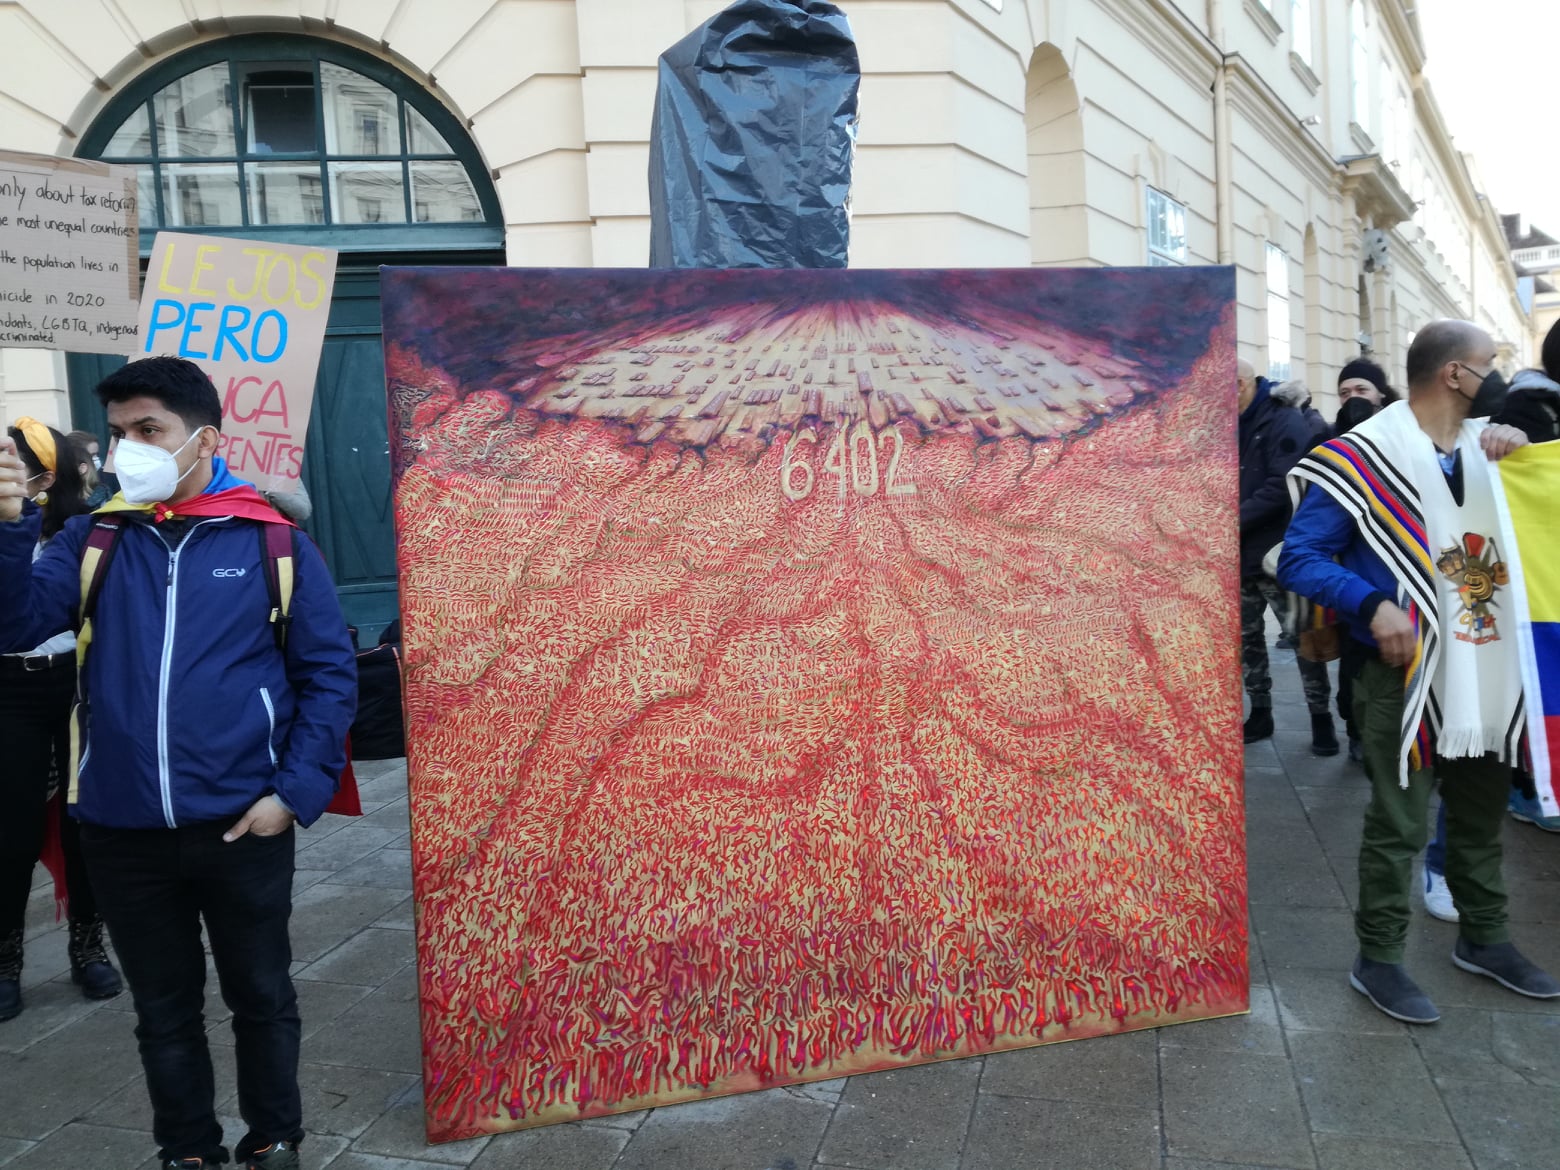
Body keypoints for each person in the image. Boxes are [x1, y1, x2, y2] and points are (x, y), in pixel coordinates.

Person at [0, 357, 358, 1170]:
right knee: (163, 1012)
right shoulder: (91, 539)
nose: (130, 449)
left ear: (206, 440)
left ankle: (273, 1140)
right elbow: (18, 623)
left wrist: (291, 794)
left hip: (244, 826)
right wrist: (9, 526)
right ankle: (186, 1151)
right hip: (123, 832)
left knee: (262, 999)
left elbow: (328, 676)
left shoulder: (274, 542)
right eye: (121, 433)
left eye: (148, 431)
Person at [1278, 319, 1559, 1024]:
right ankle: (1378, 958)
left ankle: (1485, 938)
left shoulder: (1489, 446)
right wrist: (1372, 603)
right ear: (1453, 373)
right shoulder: (1363, 454)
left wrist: (1522, 454)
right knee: (1400, 825)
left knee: (1478, 815)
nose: (1498, 377)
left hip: (1486, 667)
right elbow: (1299, 556)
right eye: (1488, 364)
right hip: (1400, 677)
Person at [0, 419, 123, 1021]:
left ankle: (88, 945)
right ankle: (5, 961)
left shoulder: (81, 532)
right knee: (10, 832)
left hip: (72, 687)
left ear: (44, 477)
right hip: (7, 689)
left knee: (84, 823)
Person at [1239, 358, 1338, 755]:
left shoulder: (1283, 418)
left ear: (1242, 384)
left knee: (1303, 639)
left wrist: (1230, 519)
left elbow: (1283, 483)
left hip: (1280, 555)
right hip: (1242, 554)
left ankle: (1321, 719)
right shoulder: (1229, 421)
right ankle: (1260, 712)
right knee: (1248, 642)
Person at [67, 429, 112, 508]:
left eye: (96, 455)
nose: (96, 459)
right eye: (91, 456)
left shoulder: (103, 489)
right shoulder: (60, 495)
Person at [1335, 357, 1399, 411]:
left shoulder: (1399, 424)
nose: (1352, 397)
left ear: (1381, 393)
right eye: (1344, 393)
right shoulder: (1335, 426)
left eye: (1361, 390)